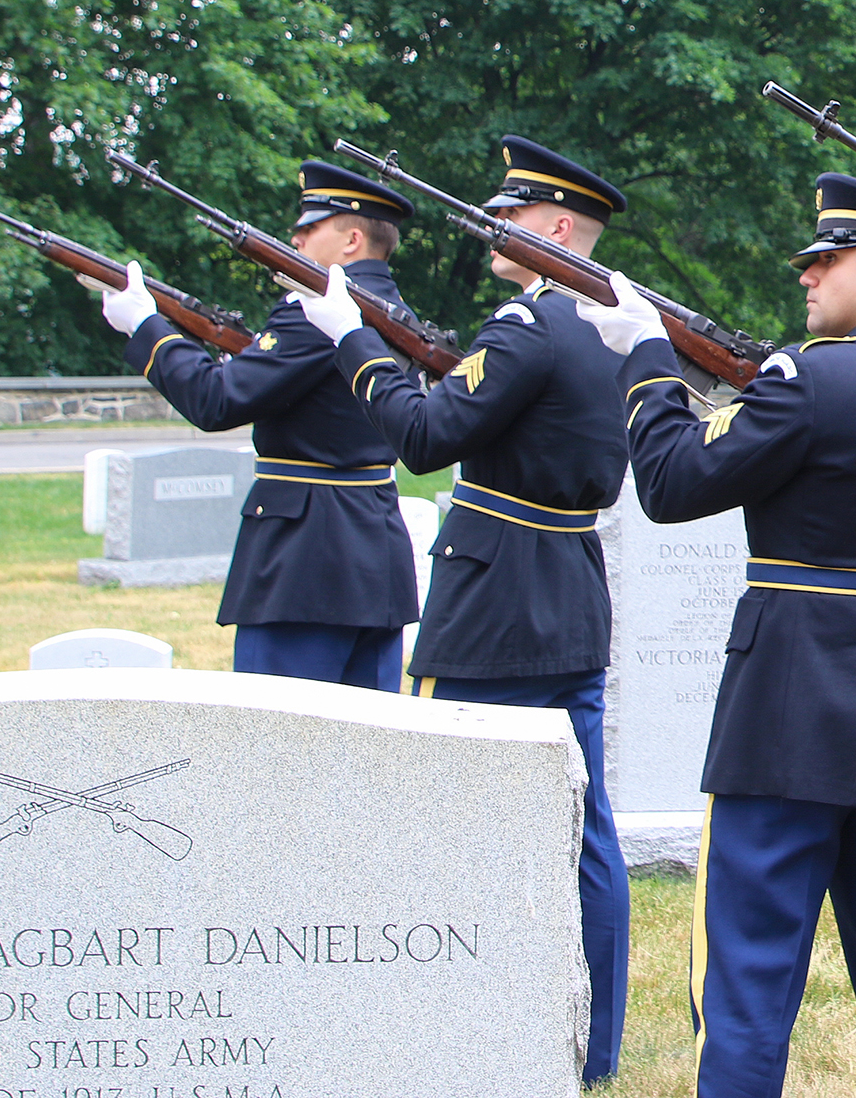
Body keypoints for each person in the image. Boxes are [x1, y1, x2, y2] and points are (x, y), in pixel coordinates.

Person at [574, 173, 856, 1098]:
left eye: (828, 259)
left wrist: (647, 358)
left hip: (786, 707)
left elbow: (669, 482)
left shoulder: (807, 380)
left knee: (747, 983)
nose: (807, 275)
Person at [292, 136, 632, 1086]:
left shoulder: (529, 323)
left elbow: (425, 439)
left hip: (494, 602)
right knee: (585, 825)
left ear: (558, 228)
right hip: (565, 588)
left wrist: (350, 336)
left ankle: (469, 1018)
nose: (495, 223)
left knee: (459, 815)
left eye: (513, 213)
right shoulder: (608, 326)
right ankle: (592, 1045)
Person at [92, 161, 421, 690]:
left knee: (277, 753)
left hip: (303, 566)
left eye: (311, 227)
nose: (295, 237)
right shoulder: (393, 311)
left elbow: (215, 400)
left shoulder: (314, 312)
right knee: (367, 761)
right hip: (370, 559)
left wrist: (145, 326)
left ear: (352, 240)